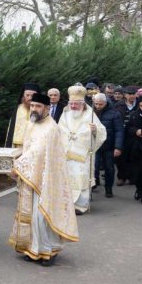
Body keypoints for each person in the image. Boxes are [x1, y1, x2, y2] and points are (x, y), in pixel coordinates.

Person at [8, 92, 78, 264]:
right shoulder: (31, 124)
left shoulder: (51, 128)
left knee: (42, 217)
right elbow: (27, 149)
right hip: (31, 175)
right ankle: (33, 248)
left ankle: (49, 251)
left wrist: (18, 166)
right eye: (32, 106)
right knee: (31, 215)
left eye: (38, 106)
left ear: (47, 108)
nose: (34, 109)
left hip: (46, 179)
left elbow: (37, 152)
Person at [59, 85, 106, 214]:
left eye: (76, 104)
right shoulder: (65, 112)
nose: (73, 106)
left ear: (83, 103)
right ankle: (67, 204)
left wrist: (95, 130)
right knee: (67, 179)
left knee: (81, 179)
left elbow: (102, 132)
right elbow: (60, 129)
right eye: (71, 103)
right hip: (67, 154)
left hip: (83, 155)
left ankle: (81, 205)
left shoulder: (90, 114)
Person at [91, 92, 124, 198]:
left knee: (109, 168)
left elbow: (119, 131)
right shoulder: (90, 113)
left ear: (105, 102)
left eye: (100, 104)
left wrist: (118, 147)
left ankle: (108, 188)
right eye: (96, 104)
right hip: (94, 145)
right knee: (93, 167)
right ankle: (92, 186)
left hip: (108, 145)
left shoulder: (115, 114)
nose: (98, 106)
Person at [9, 82, 40, 148]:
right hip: (19, 145)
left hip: (35, 145)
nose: (30, 98)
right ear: (23, 95)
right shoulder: (18, 109)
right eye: (27, 95)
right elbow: (11, 129)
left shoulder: (41, 110)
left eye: (33, 95)